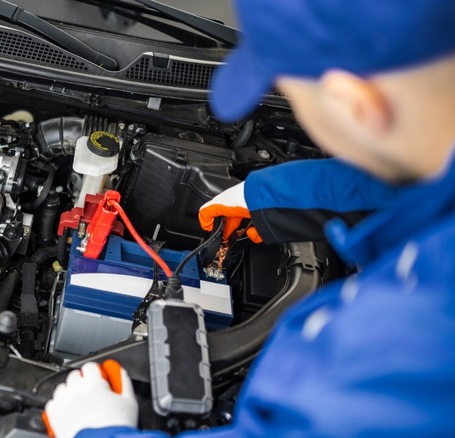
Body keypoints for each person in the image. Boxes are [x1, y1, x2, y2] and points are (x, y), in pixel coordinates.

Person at [43, 0, 455, 436]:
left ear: (356, 105)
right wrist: (269, 196)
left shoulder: (415, 343)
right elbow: (413, 185)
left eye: (292, 92)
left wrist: (100, 430)